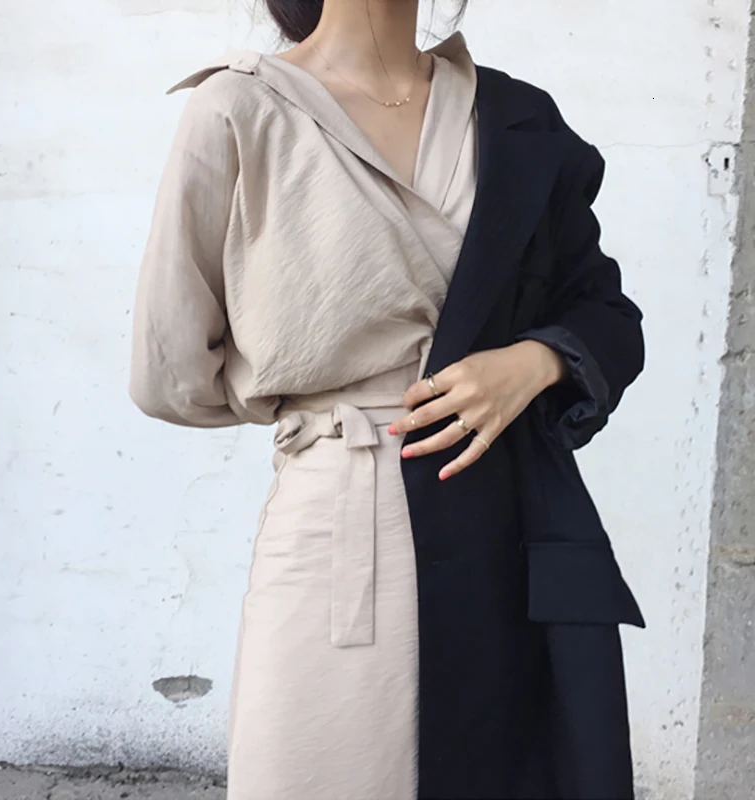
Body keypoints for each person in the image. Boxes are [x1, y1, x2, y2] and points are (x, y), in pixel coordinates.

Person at [128, 1, 646, 798]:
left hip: (503, 523)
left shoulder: (515, 117)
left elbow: (606, 314)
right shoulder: (238, 108)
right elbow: (167, 369)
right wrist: (326, 411)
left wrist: (534, 361)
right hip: (337, 530)